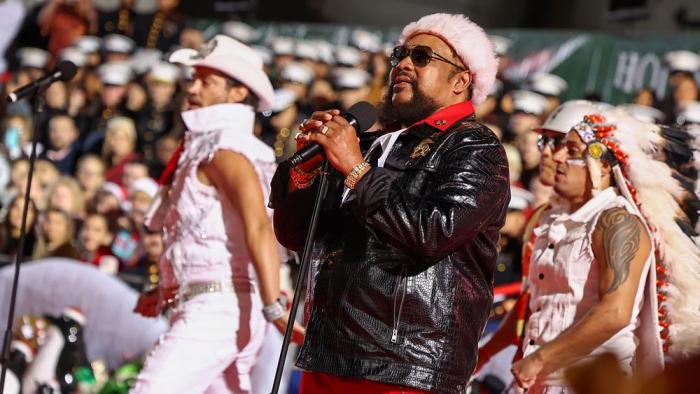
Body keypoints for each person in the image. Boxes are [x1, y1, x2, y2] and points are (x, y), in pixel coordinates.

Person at [271, 13, 509, 393]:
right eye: (400, 54)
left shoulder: (475, 147)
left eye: (422, 57)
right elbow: (298, 236)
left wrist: (355, 169)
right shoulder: (368, 144)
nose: (403, 64)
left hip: (405, 366)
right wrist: (305, 174)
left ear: (461, 80)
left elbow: (431, 234)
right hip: (331, 353)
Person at [131, 34, 303, 393]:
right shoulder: (210, 144)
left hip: (218, 310)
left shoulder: (225, 149)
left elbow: (258, 225)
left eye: (206, 81)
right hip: (217, 305)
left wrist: (274, 305)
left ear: (238, 93)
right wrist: (162, 287)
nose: (192, 88)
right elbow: (198, 229)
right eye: (193, 78)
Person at [510, 109, 700, 391]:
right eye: (559, 148)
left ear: (603, 165)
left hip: (592, 382)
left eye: (572, 151)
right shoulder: (551, 218)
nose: (558, 157)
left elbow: (616, 312)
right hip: (535, 381)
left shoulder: (618, 221)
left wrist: (540, 359)